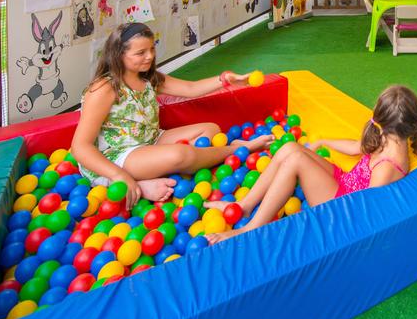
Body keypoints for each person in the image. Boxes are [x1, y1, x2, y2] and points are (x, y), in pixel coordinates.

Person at [70, 24, 272, 208]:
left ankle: (160, 169)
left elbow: (190, 88)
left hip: (150, 140)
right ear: (118, 54)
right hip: (117, 156)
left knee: (210, 129)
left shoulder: (148, 78)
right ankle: (236, 149)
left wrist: (226, 79)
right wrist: (119, 175)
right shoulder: (105, 88)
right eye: (140, 53)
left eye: (151, 49)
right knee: (181, 155)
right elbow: (80, 147)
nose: (149, 56)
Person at [206, 85, 417, 244]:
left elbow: (362, 211)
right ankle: (244, 206)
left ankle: (249, 229)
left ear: (379, 122)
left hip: (341, 207)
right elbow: (355, 147)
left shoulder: (387, 167)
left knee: (296, 160)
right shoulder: (388, 139)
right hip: (344, 182)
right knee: (290, 147)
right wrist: (323, 142)